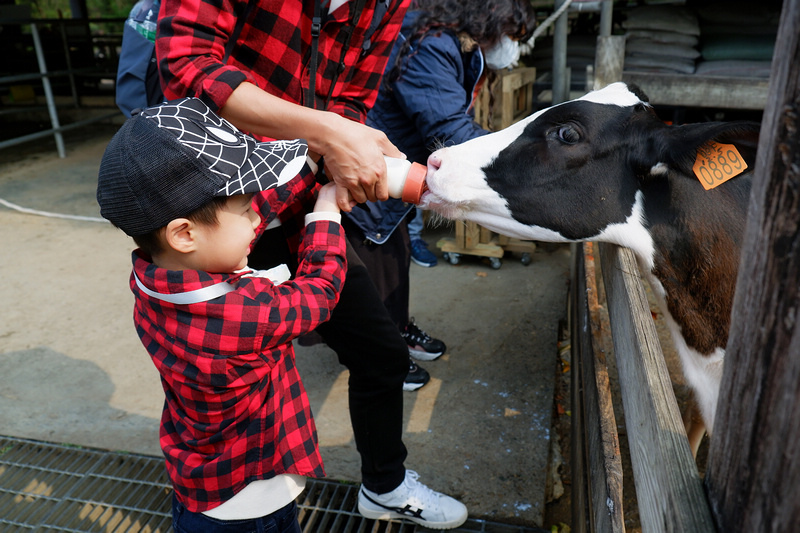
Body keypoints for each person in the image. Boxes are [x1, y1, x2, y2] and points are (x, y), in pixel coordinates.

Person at [154, 0, 469, 529]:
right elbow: (188, 66)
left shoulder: (388, 5)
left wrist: (333, 164)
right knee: (223, 402)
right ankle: (214, 506)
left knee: (380, 352)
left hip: (295, 202)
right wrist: (326, 135)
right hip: (217, 218)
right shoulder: (185, 251)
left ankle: (385, 486)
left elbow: (351, 98)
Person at [96, 98, 347, 531]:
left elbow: (235, 219)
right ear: (184, 233)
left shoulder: (153, 280)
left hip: (200, 489)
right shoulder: (239, 313)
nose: (257, 219)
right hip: (251, 500)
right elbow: (319, 293)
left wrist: (306, 164)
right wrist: (325, 215)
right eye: (247, 209)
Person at [343, 0, 537, 367]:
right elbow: (450, 129)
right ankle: (384, 362)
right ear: (492, 21)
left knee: (396, 263)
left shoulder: (454, 43)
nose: (513, 45)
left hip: (395, 179)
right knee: (372, 280)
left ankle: (397, 333)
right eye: (512, 34)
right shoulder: (430, 45)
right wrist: (523, 162)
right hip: (371, 179)